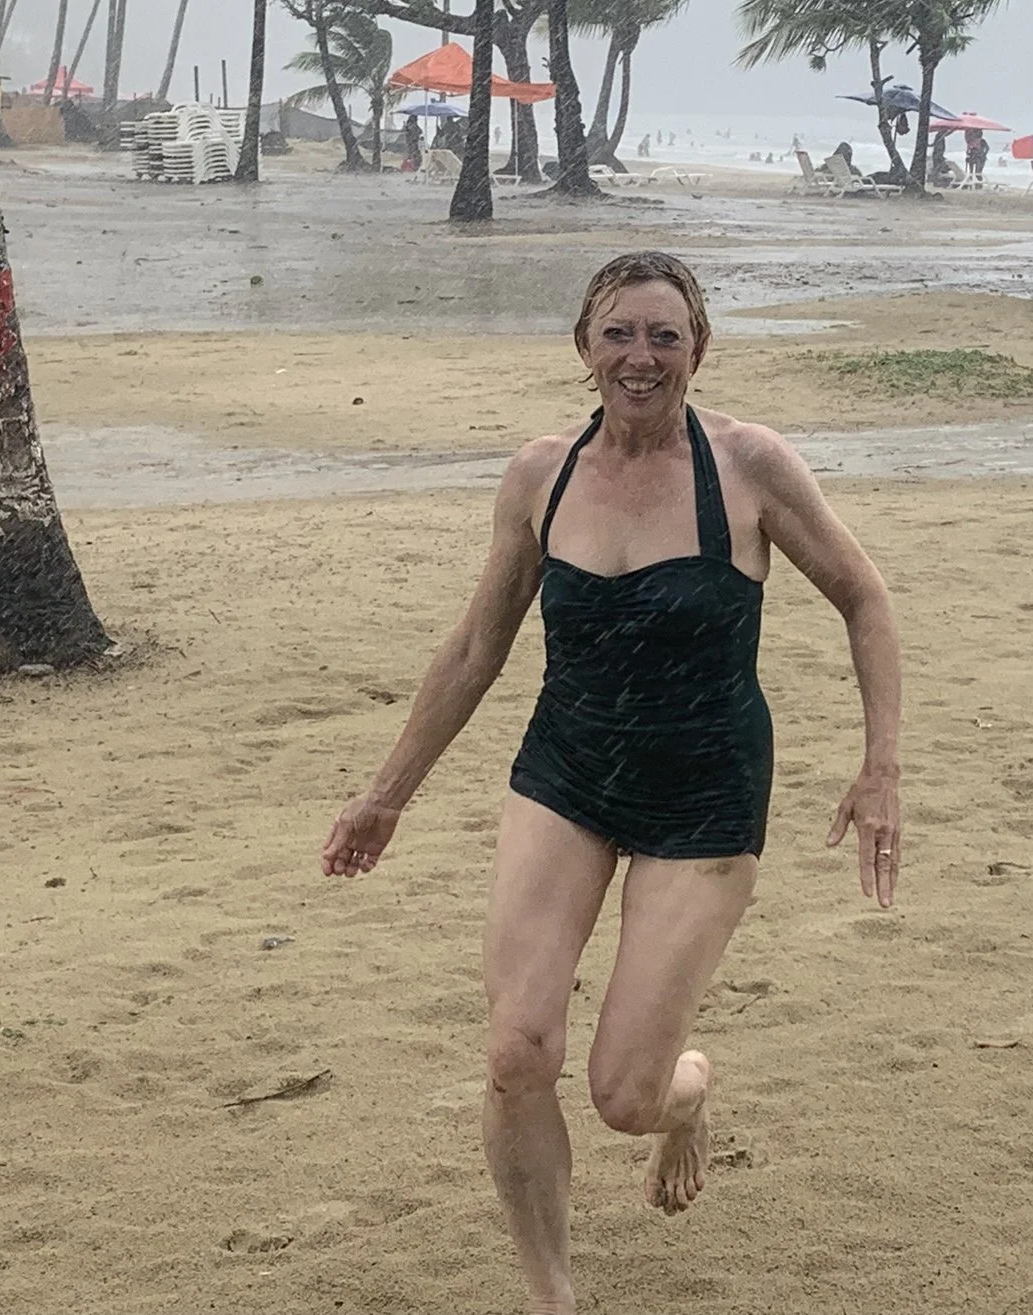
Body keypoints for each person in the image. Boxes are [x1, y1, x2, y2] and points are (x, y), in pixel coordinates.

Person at [322, 251, 904, 1313]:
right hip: (568, 773)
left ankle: (689, 1098)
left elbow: (864, 599)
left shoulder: (750, 466)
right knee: (515, 1048)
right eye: (619, 335)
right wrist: (385, 793)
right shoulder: (539, 475)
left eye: (664, 336)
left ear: (698, 348)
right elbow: (473, 651)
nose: (641, 358)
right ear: (584, 348)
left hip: (705, 792)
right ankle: (553, 1297)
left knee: (625, 1097)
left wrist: (879, 766)